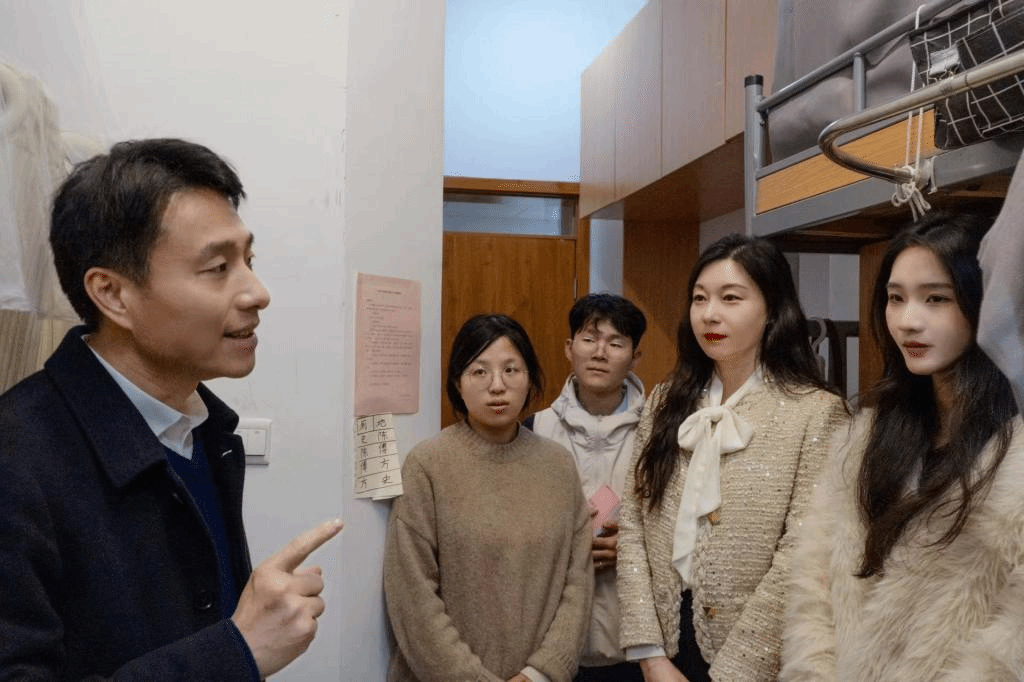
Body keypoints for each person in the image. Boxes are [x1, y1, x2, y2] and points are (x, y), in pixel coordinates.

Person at [0, 138, 342, 680]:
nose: (257, 292)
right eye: (217, 267)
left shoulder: (205, 430)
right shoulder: (18, 458)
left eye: (249, 261)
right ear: (113, 294)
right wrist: (239, 652)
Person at [780, 212, 1023, 681]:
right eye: (896, 298)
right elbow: (812, 590)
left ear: (985, 301)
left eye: (936, 299)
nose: (909, 321)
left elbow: (1011, 646)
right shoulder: (864, 439)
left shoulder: (1015, 457)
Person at [617, 234, 848, 682]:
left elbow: (803, 556)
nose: (709, 314)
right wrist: (649, 654)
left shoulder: (816, 412)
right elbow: (633, 525)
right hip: (663, 644)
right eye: (699, 298)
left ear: (772, 310)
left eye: (731, 298)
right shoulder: (665, 401)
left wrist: (735, 670)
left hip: (759, 653)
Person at [384, 313, 593, 682]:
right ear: (458, 383)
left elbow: (578, 582)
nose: (497, 386)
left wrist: (540, 673)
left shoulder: (558, 465)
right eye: (479, 372)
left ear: (530, 378)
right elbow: (412, 594)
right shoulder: (427, 464)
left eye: (511, 370)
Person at [527, 293, 647, 682]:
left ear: (635, 356)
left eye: (615, 343)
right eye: (589, 339)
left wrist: (632, 547)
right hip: (548, 647)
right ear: (569, 348)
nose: (599, 353)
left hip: (637, 647)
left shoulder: (661, 434)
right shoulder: (532, 431)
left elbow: (682, 532)